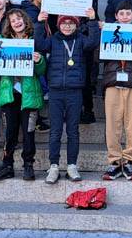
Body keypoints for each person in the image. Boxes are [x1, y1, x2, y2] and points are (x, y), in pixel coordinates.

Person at [38, 14, 97, 184]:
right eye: (64, 23)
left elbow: (93, 42)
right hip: (56, 91)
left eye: (71, 23)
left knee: (73, 131)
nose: (67, 26)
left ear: (76, 25)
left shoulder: (81, 40)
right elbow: (39, 43)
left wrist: (92, 21)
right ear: (58, 25)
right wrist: (40, 22)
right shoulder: (53, 40)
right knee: (55, 131)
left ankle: (72, 165)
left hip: (74, 91)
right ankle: (54, 165)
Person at [0, 10, 47, 181]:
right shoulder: (2, 42)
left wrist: (39, 61)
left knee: (29, 132)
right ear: (9, 24)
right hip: (9, 94)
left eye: (19, 18)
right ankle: (7, 165)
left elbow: (42, 70)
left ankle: (28, 165)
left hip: (29, 94)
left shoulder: (34, 39)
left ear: (25, 20)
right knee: (10, 132)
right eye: (13, 20)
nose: (16, 22)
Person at [101, 1, 132, 181]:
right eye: (122, 14)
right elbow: (99, 53)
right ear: (116, 16)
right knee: (112, 123)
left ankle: (129, 160)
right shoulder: (109, 31)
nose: (125, 17)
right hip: (113, 81)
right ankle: (114, 161)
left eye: (128, 14)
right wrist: (101, 33)